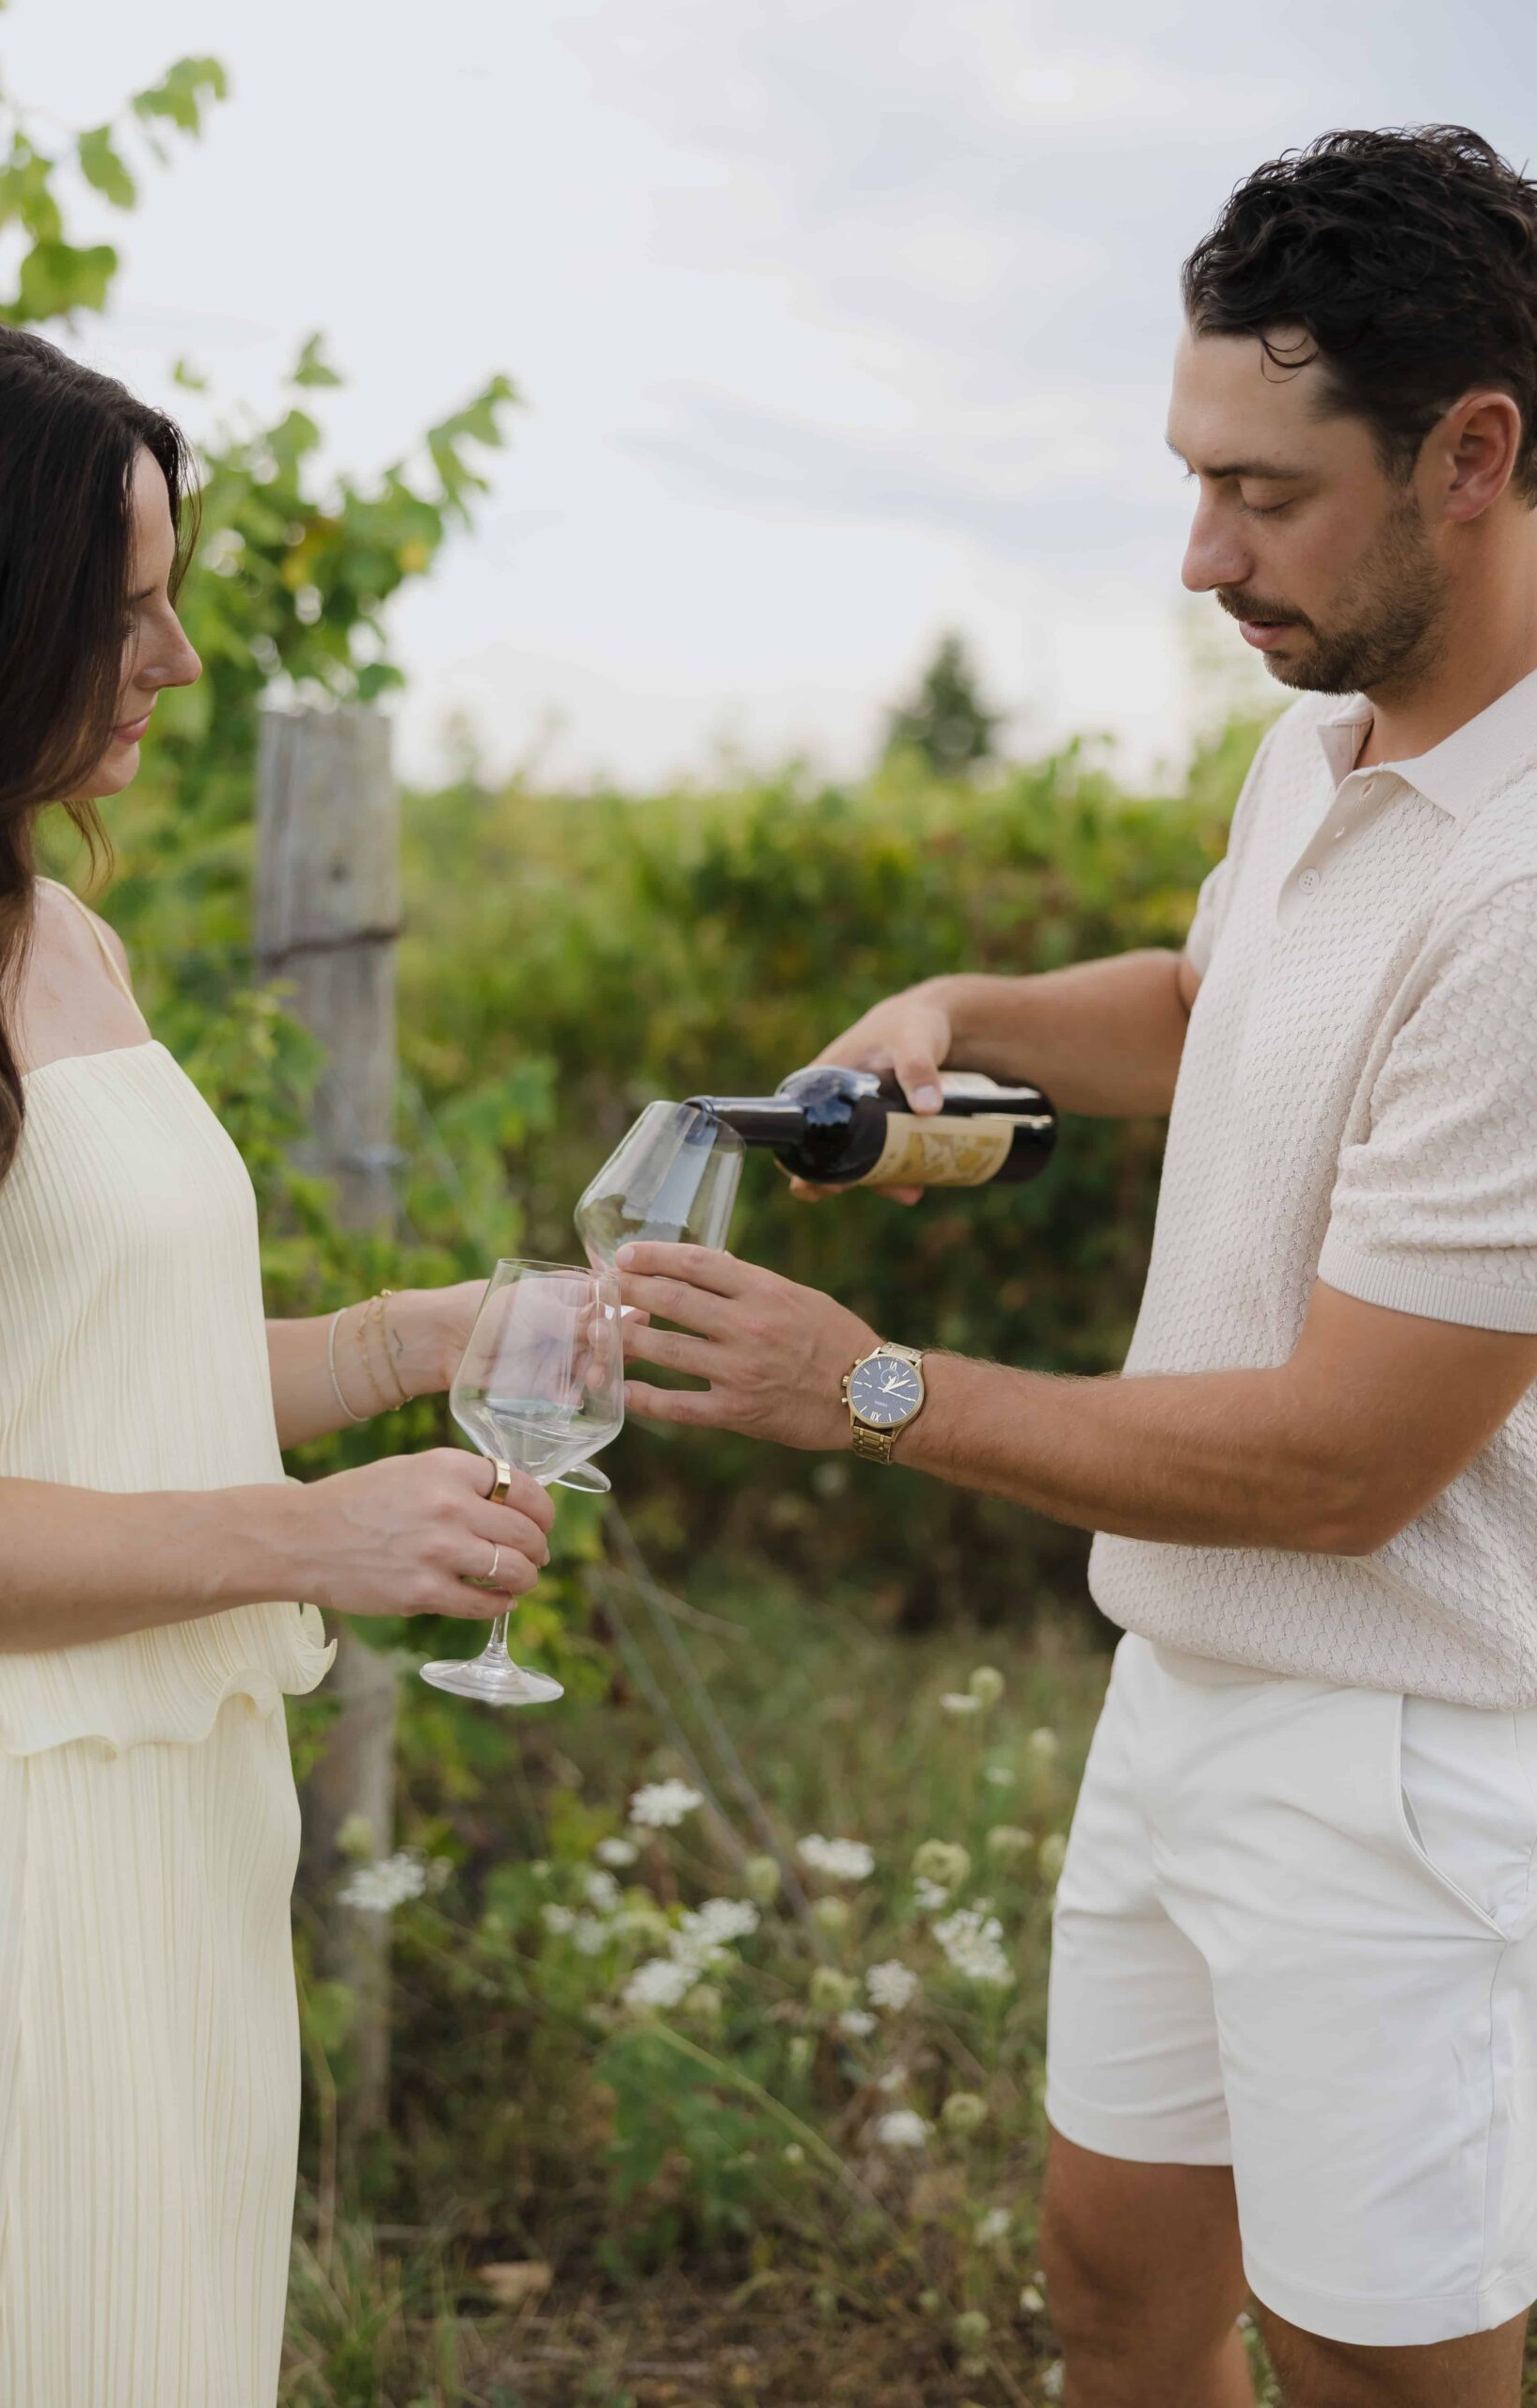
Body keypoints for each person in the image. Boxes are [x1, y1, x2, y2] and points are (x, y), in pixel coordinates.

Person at [618, 127, 1537, 2404]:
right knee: (1116, 2294)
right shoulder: (1321, 751)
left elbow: (1342, 1466)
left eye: (1261, 493)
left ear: (1469, 456)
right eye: (1189, 478)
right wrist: (959, 1013)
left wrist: (869, 1386)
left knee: (1371, 2365)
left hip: (1410, 1751)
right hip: (1183, 1680)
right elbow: (1215, 1005)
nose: (1199, 553)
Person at [0, 310, 553, 2408]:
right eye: (121, 612)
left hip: (174, 1816)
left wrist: (415, 1339)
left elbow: (94, 1368)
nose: (178, 661)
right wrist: (304, 1537)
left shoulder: (53, 930)